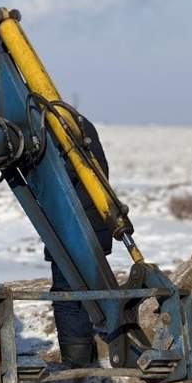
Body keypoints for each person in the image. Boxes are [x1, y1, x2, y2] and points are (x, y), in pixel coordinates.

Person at [43, 110, 112, 368]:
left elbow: (58, 177)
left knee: (67, 295)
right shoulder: (81, 129)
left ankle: (77, 361)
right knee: (92, 288)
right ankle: (102, 348)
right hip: (96, 223)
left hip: (71, 226)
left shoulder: (55, 130)